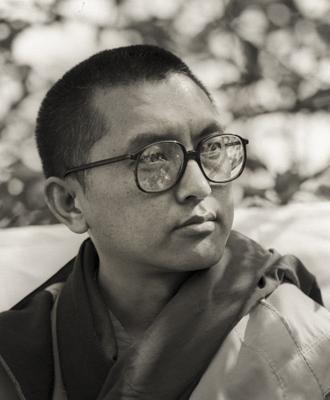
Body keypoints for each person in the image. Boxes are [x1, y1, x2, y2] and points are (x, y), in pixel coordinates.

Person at [0, 45, 330, 400]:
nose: (199, 186)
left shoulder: (304, 345)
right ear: (70, 203)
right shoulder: (18, 357)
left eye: (212, 148)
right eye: (155, 158)